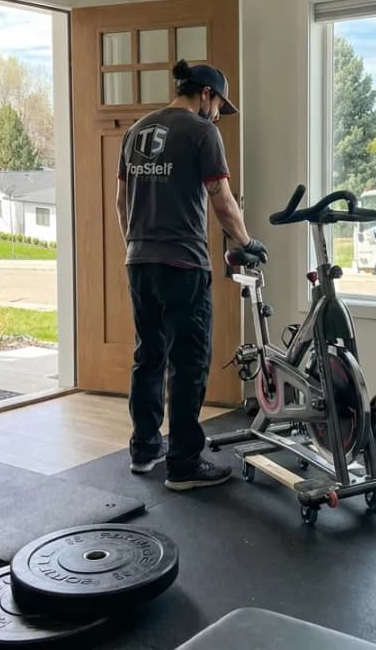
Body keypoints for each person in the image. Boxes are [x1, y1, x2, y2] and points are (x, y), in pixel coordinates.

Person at [117, 59, 267, 490]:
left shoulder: (136, 131)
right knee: (189, 363)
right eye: (219, 105)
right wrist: (246, 242)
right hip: (183, 264)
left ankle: (145, 449)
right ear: (205, 94)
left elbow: (121, 200)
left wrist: (136, 245)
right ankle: (183, 463)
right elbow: (221, 198)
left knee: (149, 355)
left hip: (139, 261)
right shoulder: (202, 132)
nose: (218, 114)